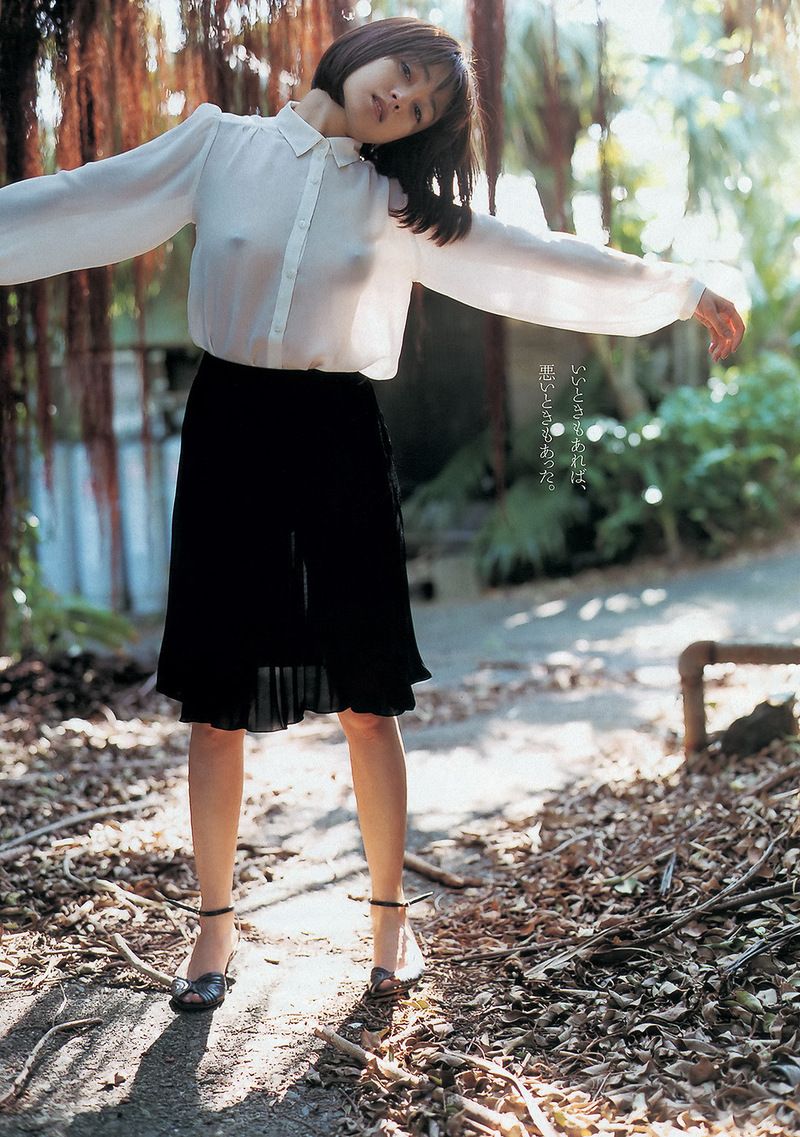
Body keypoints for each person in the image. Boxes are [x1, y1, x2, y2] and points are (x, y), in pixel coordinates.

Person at [0, 16, 745, 1011]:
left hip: (338, 440)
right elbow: (79, 199)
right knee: (216, 707)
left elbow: (531, 257)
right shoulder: (217, 145)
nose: (401, 99)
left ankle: (391, 920)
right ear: (361, 54)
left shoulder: (393, 205)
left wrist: (678, 290)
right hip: (229, 435)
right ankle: (212, 929)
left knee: (368, 700)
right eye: (402, 73)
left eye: (423, 105)